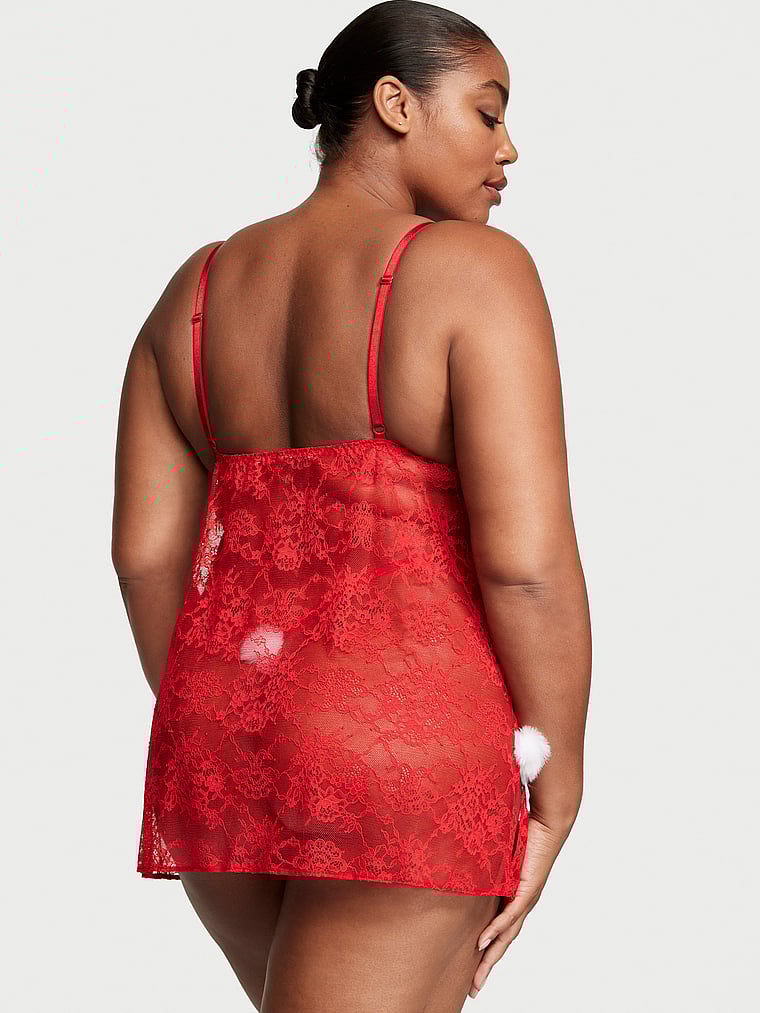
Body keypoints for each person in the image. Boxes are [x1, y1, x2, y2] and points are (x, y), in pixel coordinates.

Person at [111, 1, 592, 1010]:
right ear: (395, 105)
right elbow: (524, 564)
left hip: (221, 748)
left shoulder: (193, 290)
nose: (508, 148)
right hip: (401, 758)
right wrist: (557, 769)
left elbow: (145, 556)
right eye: (488, 112)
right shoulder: (475, 272)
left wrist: (238, 718)